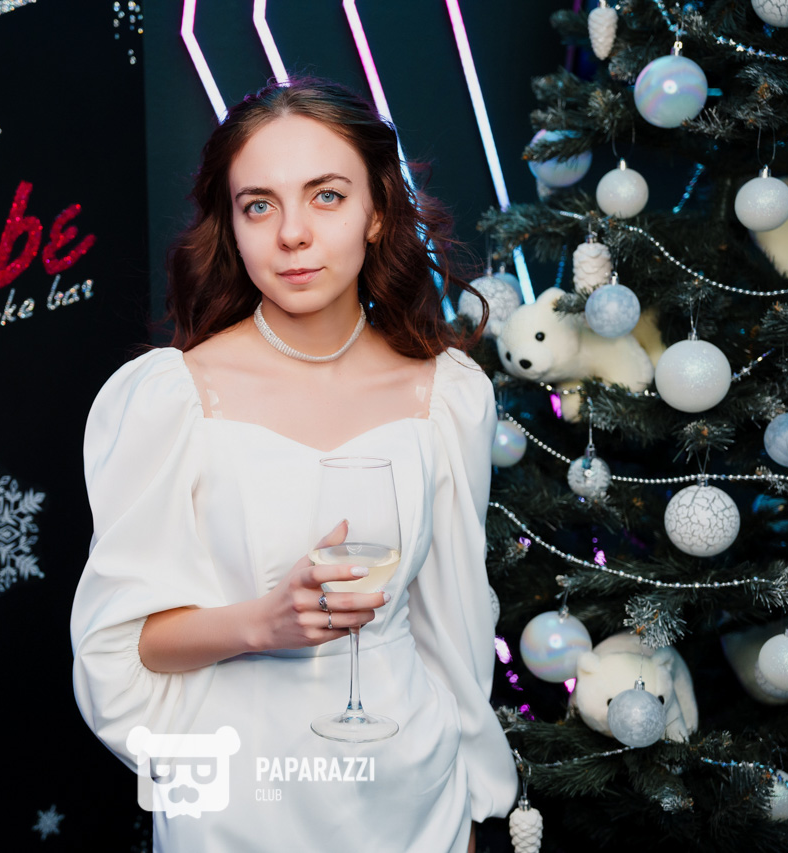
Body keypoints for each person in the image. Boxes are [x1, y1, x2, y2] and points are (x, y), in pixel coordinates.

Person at [70, 78, 518, 852]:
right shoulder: (172, 398)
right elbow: (122, 641)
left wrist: (471, 796)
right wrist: (264, 623)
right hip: (241, 798)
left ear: (376, 210)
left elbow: (457, 624)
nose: (292, 234)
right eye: (259, 205)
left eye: (326, 196)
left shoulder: (447, 395)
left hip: (412, 791)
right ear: (232, 226)